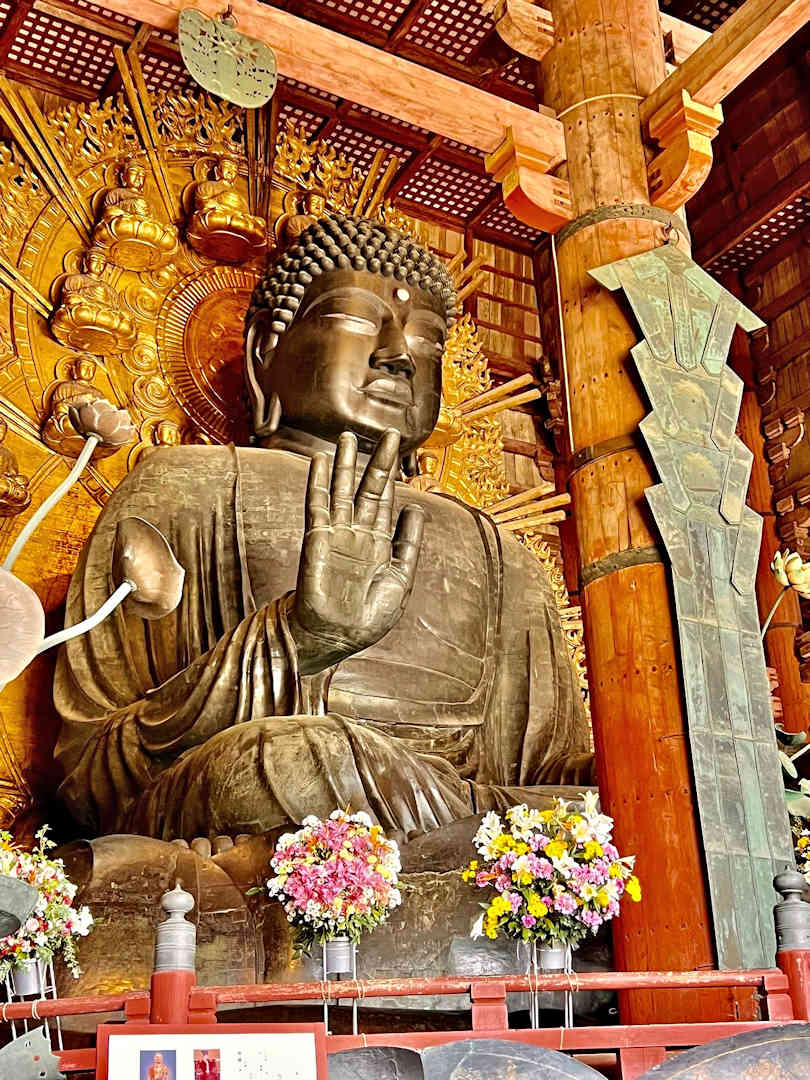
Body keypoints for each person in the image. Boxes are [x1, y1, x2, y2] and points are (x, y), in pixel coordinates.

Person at [54, 214, 591, 843]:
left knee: (634, 802)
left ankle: (443, 861)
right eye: (358, 322)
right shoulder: (186, 483)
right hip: (267, 784)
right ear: (265, 352)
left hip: (460, 808)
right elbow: (89, 782)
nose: (397, 359)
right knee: (295, 759)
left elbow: (550, 775)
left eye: (427, 343)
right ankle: (435, 862)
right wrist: (295, 638)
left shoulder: (500, 553)